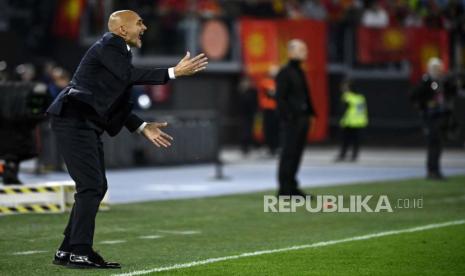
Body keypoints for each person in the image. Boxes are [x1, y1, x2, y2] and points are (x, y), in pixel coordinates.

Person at [47, 10, 208, 269]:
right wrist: (173, 72)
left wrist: (141, 126)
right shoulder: (110, 44)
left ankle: (68, 250)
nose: (144, 27)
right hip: (74, 120)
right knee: (91, 187)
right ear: (122, 30)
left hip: (81, 122)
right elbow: (128, 76)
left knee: (96, 187)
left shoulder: (118, 51)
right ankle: (79, 251)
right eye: (139, 23)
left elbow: (116, 101)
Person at [275, 39, 315, 197]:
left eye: (305, 50)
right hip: (292, 120)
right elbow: (280, 98)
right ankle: (284, 188)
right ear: (291, 52)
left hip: (302, 118)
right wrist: (289, 117)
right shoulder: (285, 72)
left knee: (297, 153)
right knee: (288, 153)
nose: (305, 53)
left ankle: (292, 186)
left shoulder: (300, 72)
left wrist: (310, 114)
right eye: (301, 50)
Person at [411, 57, 457, 180]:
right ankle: (432, 171)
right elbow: (415, 95)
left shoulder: (442, 81)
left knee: (438, 144)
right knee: (433, 143)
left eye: (439, 68)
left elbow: (452, 92)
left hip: (441, 116)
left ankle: (435, 170)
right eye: (435, 68)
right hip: (430, 117)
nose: (437, 70)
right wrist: (424, 104)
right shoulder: (426, 81)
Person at [335, 80, 368, 162]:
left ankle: (343, 155)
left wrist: (341, 121)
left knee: (345, 140)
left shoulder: (347, 97)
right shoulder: (360, 97)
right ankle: (354, 155)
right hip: (359, 122)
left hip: (349, 122)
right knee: (356, 141)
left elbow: (342, 110)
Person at [258, 65, 279, 156]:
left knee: (276, 128)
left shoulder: (279, 82)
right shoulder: (265, 82)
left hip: (277, 108)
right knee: (268, 128)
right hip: (267, 108)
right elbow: (264, 94)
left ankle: (276, 146)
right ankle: (270, 146)